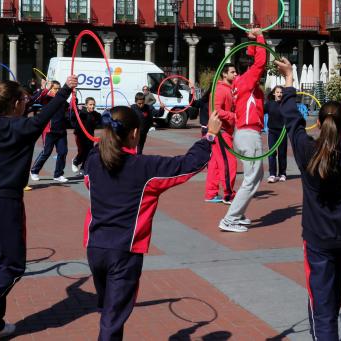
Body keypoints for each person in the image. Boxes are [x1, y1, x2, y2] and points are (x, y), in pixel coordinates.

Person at [84, 106, 221, 340]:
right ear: (134, 133)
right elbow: (186, 165)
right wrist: (209, 137)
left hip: (95, 248)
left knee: (109, 311)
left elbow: (91, 170)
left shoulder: (93, 163)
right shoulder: (143, 168)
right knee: (111, 320)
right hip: (124, 252)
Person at [0, 74, 78, 340]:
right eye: (23, 99)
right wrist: (65, 90)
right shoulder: (23, 127)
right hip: (6, 204)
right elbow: (47, 114)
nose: (26, 102)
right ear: (14, 104)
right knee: (13, 266)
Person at [277, 55, 341, 340]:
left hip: (318, 239)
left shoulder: (307, 151)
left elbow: (292, 120)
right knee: (331, 296)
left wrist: (289, 80)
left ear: (318, 124)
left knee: (322, 308)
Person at [219, 28, 267, 233]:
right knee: (251, 178)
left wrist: (252, 42)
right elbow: (260, 62)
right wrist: (260, 37)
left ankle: (237, 214)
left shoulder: (240, 83)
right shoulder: (247, 81)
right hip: (248, 134)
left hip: (243, 133)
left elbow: (255, 60)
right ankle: (230, 219)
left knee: (256, 175)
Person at [204, 65, 237, 203]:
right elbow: (216, 110)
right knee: (229, 162)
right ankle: (228, 194)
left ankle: (211, 193)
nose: (235, 74)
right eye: (232, 72)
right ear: (224, 74)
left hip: (220, 131)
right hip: (221, 132)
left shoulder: (226, 89)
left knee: (216, 163)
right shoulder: (221, 90)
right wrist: (234, 116)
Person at [29, 80, 71, 183]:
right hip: (49, 130)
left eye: (59, 89)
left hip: (61, 130)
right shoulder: (47, 98)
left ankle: (58, 174)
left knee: (63, 152)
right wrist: (45, 89)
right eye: (55, 88)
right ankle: (34, 171)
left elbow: (69, 107)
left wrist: (74, 99)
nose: (57, 90)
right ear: (51, 89)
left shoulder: (62, 100)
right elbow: (38, 98)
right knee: (46, 152)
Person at [71, 97, 101, 175]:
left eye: (93, 104)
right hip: (80, 135)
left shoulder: (95, 114)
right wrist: (76, 110)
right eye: (90, 104)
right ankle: (75, 161)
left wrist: (107, 113)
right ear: (86, 105)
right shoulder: (82, 113)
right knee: (82, 150)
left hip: (90, 136)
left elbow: (101, 121)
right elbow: (72, 117)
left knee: (89, 152)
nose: (92, 106)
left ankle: (83, 168)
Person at [265, 86, 288, 183]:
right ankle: (272, 174)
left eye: (281, 92)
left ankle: (282, 173)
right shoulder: (269, 104)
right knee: (272, 153)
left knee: (282, 153)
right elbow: (260, 112)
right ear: (274, 93)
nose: (279, 94)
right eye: (277, 92)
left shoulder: (285, 104)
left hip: (282, 132)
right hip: (272, 131)